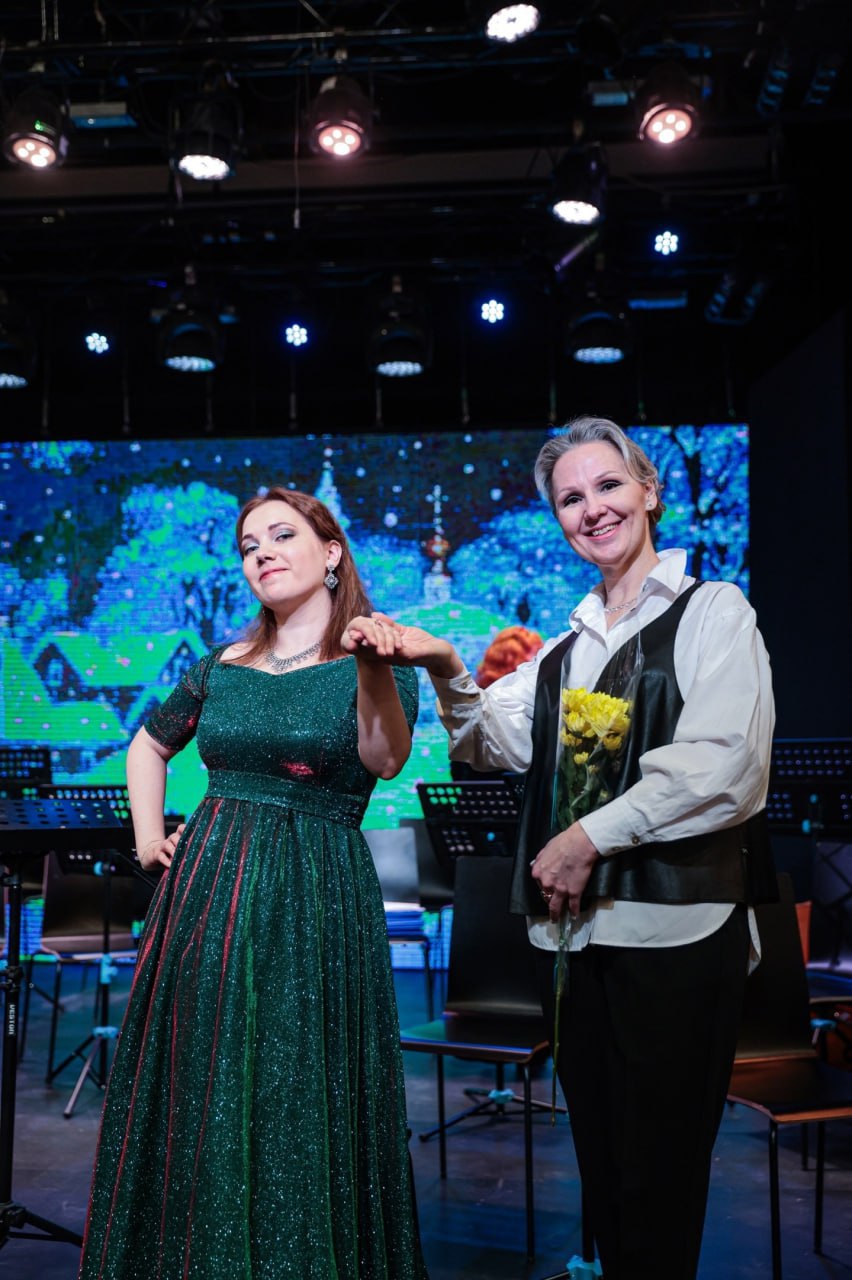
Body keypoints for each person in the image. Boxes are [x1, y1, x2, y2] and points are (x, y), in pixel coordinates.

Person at [357, 416, 776, 1280]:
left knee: (660, 1174)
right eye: (571, 499)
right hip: (576, 941)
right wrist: (444, 665)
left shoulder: (715, 612)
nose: (593, 510)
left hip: (677, 930)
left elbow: (724, 765)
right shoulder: (564, 648)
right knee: (606, 1170)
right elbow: (491, 741)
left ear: (649, 491)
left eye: (609, 486)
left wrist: (588, 836)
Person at [78, 486, 430, 1280]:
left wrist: (374, 667)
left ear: (331, 552)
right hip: (208, 894)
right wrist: (148, 838)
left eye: (281, 535)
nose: (262, 552)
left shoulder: (375, 654)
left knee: (296, 1084)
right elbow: (147, 746)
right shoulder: (222, 666)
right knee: (205, 1077)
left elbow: (385, 761)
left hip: (315, 892)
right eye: (248, 545)